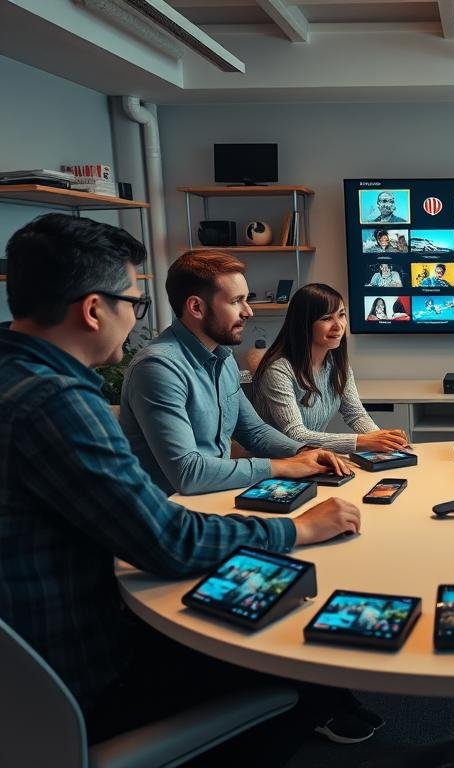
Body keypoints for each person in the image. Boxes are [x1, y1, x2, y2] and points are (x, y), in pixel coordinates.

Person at [0, 214, 381, 759]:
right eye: (135, 304)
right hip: (87, 672)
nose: (136, 319)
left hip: (54, 647)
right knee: (295, 656)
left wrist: (303, 453)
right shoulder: (57, 403)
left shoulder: (20, 379)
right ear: (92, 310)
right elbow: (171, 538)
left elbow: (249, 431)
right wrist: (296, 529)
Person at [120, 250, 350, 496]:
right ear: (196, 307)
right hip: (169, 511)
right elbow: (187, 473)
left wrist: (303, 451)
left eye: (246, 299)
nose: (248, 311)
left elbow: (254, 431)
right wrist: (282, 467)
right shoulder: (158, 367)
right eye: (235, 301)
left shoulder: (224, 357)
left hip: (212, 498)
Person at [254, 283, 409, 454]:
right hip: (277, 466)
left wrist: (383, 440)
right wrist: (363, 442)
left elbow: (355, 414)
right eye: (326, 318)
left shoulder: (337, 364)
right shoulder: (278, 370)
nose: (338, 326)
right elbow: (295, 435)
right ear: (303, 324)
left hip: (311, 459)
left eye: (341, 315)